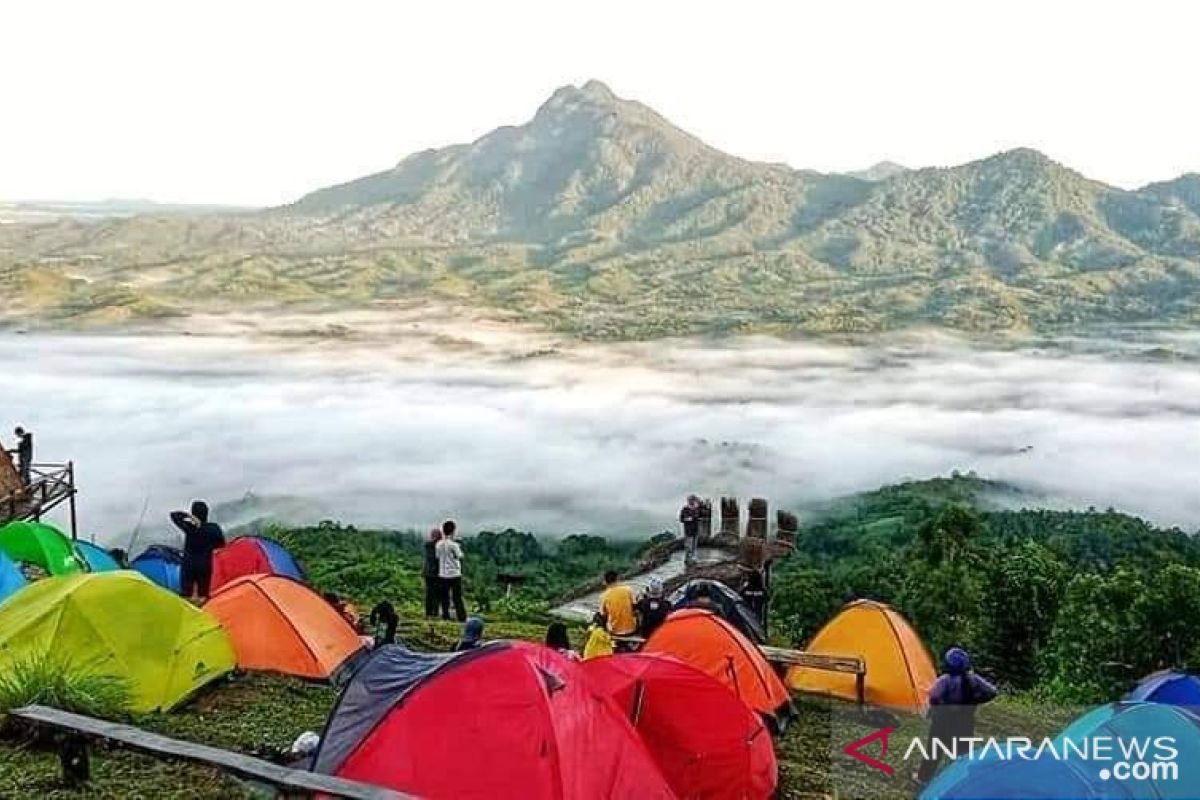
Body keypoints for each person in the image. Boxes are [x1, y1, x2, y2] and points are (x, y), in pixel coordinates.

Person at [915, 647, 998, 785]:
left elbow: (934, 696)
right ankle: (960, 780)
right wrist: (976, 700)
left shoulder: (945, 680)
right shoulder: (974, 680)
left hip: (942, 722)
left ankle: (923, 778)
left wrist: (936, 707)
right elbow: (992, 692)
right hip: (965, 722)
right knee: (962, 753)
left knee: (934, 751)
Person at [169, 500, 225, 601]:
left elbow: (174, 515)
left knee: (186, 594)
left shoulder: (190, 527)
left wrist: (190, 517)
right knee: (203, 594)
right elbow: (221, 544)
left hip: (189, 565)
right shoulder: (213, 528)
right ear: (207, 513)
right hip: (205, 565)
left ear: (193, 513)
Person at [436, 519, 466, 622]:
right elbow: (460, 556)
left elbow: (437, 556)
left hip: (443, 573)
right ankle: (461, 617)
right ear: (453, 531)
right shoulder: (454, 545)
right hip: (454, 573)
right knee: (457, 597)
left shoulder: (439, 544)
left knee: (444, 597)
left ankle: (445, 615)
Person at [599, 569, 638, 637]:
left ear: (605, 582)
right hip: (632, 629)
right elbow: (635, 606)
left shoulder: (604, 596)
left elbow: (603, 614)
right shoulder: (628, 590)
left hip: (614, 631)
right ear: (617, 578)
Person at [423, 526, 442, 618]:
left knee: (429, 594)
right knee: (436, 594)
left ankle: (429, 612)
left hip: (428, 572)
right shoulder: (438, 546)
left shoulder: (428, 545)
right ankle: (434, 612)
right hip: (437, 573)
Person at [679, 494, 701, 565]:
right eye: (693, 500)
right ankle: (688, 560)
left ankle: (693, 559)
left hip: (695, 530)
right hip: (688, 531)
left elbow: (698, 517)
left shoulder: (696, 509)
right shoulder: (685, 509)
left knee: (694, 546)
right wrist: (688, 519)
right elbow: (681, 519)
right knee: (689, 546)